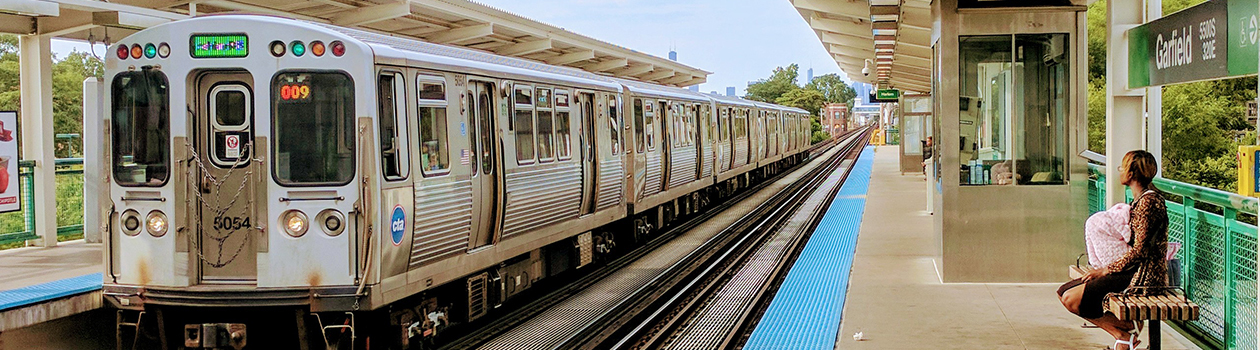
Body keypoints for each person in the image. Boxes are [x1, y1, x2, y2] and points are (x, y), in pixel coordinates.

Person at [1057, 150, 1168, 350]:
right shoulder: (1141, 199)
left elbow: (1140, 251)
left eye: (1122, 168)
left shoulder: (1148, 202)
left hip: (1143, 276)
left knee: (1071, 298)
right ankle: (1123, 334)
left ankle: (1126, 329)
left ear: (1132, 173)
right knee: (1063, 292)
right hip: (1133, 270)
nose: (1120, 172)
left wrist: (1106, 270)